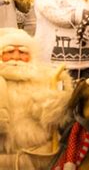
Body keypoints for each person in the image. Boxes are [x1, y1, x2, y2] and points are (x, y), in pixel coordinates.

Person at [0, 28, 72, 169]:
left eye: (22, 52)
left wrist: (59, 99)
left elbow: (53, 120)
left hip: (37, 157)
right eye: (9, 51)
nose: (16, 56)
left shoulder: (45, 78)